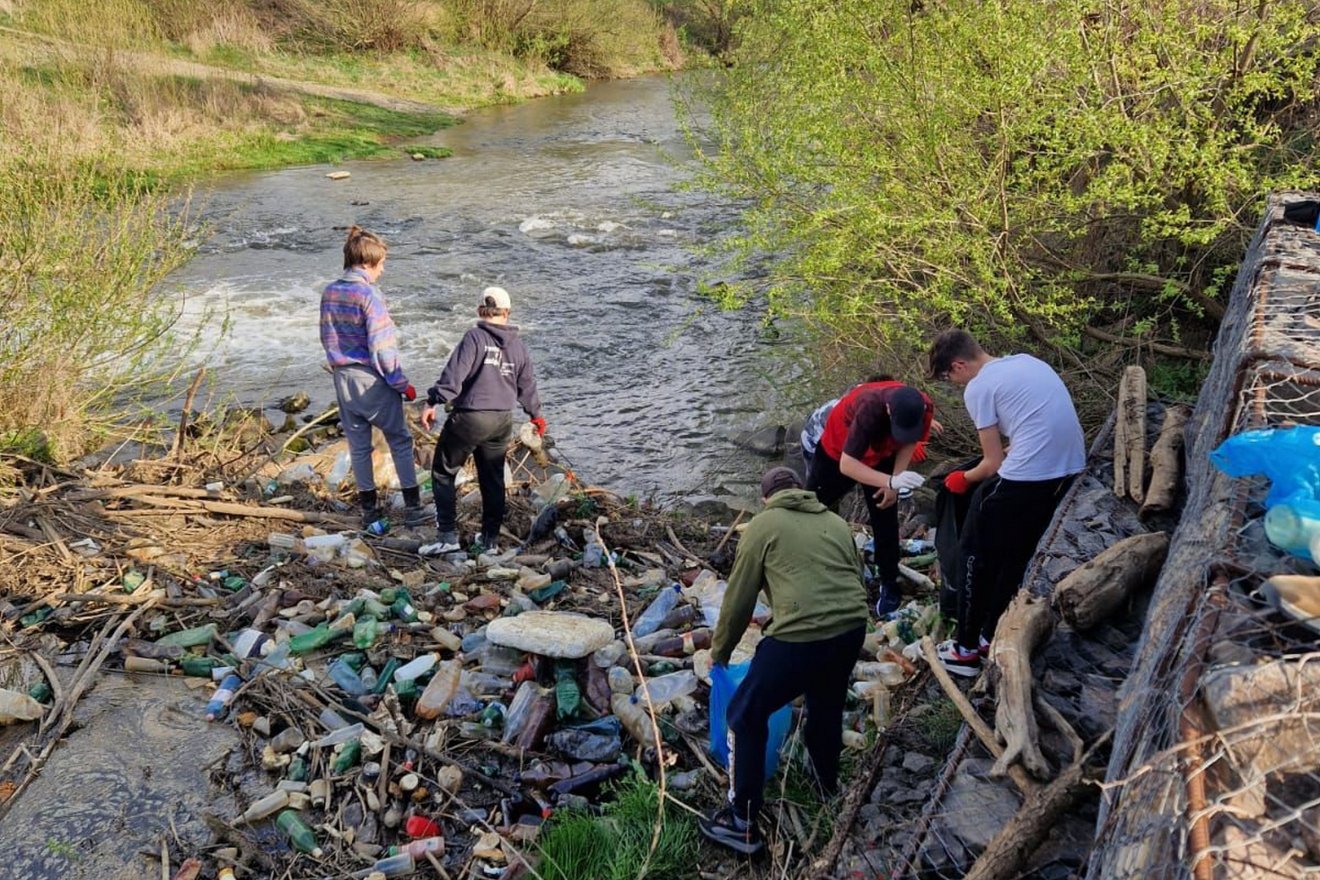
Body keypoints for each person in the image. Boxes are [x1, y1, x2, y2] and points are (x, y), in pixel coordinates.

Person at [700, 467, 869, 856]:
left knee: (745, 714)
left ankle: (741, 822)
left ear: (766, 499)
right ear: (801, 491)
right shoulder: (836, 521)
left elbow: (738, 600)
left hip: (801, 638)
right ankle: (826, 785)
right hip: (851, 629)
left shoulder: (763, 524)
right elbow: (852, 579)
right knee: (825, 703)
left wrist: (720, 652)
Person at [927, 329, 1085, 677]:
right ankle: (988, 634)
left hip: (1028, 479)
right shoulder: (1025, 362)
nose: (950, 384)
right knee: (1013, 555)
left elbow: (992, 464)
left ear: (958, 365)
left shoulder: (979, 387)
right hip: (1067, 472)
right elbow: (1033, 429)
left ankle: (965, 651)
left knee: (971, 552)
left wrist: (962, 479)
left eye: (946, 377)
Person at [419, 286, 545, 555]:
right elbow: (527, 387)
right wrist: (536, 416)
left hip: (470, 418)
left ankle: (447, 537)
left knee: (443, 472)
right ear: (507, 313)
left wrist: (432, 401)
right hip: (502, 420)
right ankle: (489, 541)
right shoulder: (519, 347)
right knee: (492, 479)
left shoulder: (474, 338)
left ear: (480, 311)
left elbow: (453, 378)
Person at [319, 226, 427, 529]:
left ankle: (369, 510)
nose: (382, 270)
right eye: (382, 264)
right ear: (368, 263)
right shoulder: (369, 295)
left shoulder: (330, 291)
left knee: (359, 445)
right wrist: (400, 383)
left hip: (342, 377)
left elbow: (325, 336)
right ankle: (414, 509)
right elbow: (382, 346)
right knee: (400, 440)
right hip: (372, 379)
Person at [806, 379, 935, 616]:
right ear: (889, 411)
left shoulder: (923, 406)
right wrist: (889, 481)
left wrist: (894, 483)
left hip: (882, 452)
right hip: (838, 454)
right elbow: (848, 464)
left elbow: (908, 442)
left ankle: (889, 583)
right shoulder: (869, 408)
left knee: (885, 516)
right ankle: (808, 562)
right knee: (811, 506)